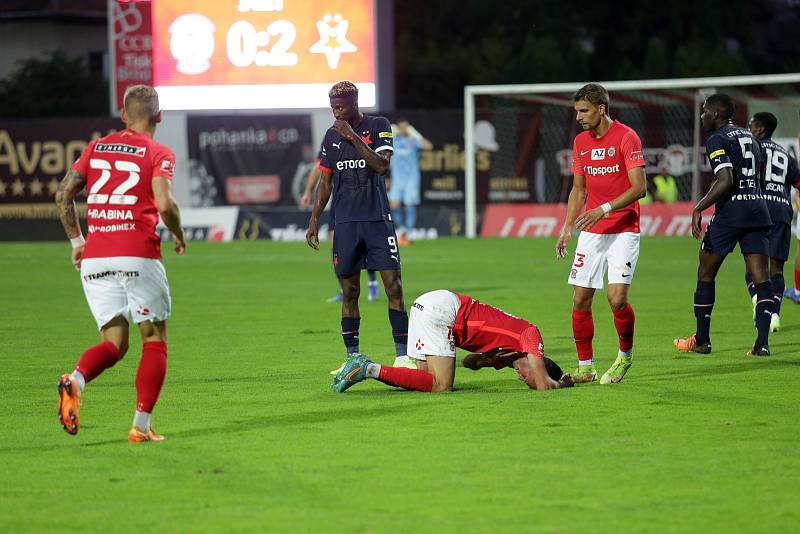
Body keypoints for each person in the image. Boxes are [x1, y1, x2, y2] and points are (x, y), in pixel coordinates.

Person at [54, 84, 186, 442]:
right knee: (153, 338)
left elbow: (63, 194)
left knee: (114, 344)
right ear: (159, 116)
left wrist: (77, 242)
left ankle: (75, 380)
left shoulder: (96, 148)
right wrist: (179, 233)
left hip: (96, 256)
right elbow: (165, 203)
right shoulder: (159, 152)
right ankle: (140, 428)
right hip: (137, 251)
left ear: (124, 116)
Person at [305, 81, 414, 370]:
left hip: (377, 219)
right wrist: (314, 219)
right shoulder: (331, 137)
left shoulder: (378, 125)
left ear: (354, 104)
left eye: (339, 107)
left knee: (394, 286)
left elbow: (381, 165)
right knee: (350, 292)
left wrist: (353, 137)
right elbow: (325, 182)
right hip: (345, 224)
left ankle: (402, 357)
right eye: (332, 108)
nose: (335, 113)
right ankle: (352, 357)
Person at [555, 83, 646, 385]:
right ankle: (586, 367)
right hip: (592, 231)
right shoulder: (581, 142)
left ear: (601, 109)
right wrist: (567, 228)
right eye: (576, 111)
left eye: (584, 111)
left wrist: (604, 209)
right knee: (580, 299)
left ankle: (625, 356)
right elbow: (578, 189)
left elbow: (639, 188)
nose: (578, 116)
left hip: (623, 228)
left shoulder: (626, 137)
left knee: (617, 299)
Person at [674, 94, 774, 357]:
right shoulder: (751, 137)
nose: (702, 116)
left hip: (732, 212)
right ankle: (761, 344)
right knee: (762, 277)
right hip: (758, 208)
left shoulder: (717, 139)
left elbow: (726, 179)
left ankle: (702, 341)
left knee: (706, 272)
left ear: (716, 115)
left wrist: (699, 207)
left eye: (704, 111)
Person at [331, 290, 575, 392]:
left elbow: (468, 362)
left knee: (425, 382)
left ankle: (364, 368)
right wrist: (561, 383)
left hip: (428, 304)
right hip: (445, 311)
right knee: (441, 386)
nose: (524, 379)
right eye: (530, 378)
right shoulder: (530, 335)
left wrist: (485, 360)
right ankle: (367, 368)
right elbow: (544, 386)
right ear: (538, 363)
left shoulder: (509, 354)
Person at [742, 112, 800, 331]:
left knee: (753, 263)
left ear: (761, 130)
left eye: (751, 126)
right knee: (776, 269)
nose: (748, 130)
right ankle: (775, 313)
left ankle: (758, 296)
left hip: (759, 210)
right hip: (782, 211)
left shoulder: (753, 148)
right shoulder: (786, 154)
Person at [301, 160, 380, 303]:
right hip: (340, 206)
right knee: (336, 248)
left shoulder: (361, 142)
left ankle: (372, 282)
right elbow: (319, 167)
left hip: (362, 203)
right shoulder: (332, 141)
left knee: (365, 247)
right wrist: (308, 191)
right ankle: (344, 289)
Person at [388, 119, 432, 245]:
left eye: (406, 127)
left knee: (409, 205)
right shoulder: (394, 140)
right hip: (397, 179)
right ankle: (402, 229)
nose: (404, 129)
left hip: (411, 179)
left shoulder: (413, 140)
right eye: (401, 127)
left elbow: (429, 146)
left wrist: (415, 134)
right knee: (394, 204)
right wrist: (390, 132)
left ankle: (410, 232)